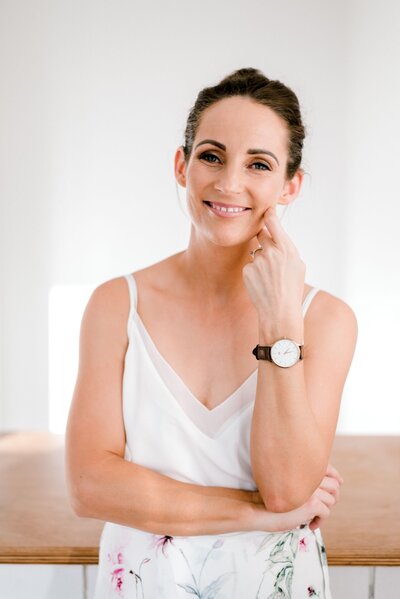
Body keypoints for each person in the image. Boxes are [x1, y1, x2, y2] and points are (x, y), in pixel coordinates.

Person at [65, 67, 358, 598]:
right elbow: (89, 487)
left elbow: (288, 486)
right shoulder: (116, 305)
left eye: (259, 164)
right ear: (182, 165)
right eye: (211, 155)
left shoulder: (324, 320)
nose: (228, 183)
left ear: (290, 184)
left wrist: (279, 323)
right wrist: (259, 515)